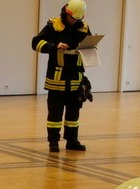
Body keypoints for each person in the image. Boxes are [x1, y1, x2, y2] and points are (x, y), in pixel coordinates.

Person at [33, 1, 91, 153]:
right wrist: (54, 46)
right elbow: (36, 42)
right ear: (66, 12)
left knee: (74, 113)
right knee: (55, 113)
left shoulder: (83, 27)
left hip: (76, 78)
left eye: (78, 19)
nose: (75, 21)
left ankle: (72, 140)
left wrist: (91, 48)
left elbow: (89, 45)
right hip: (57, 79)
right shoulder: (54, 25)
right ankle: (53, 142)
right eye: (73, 18)